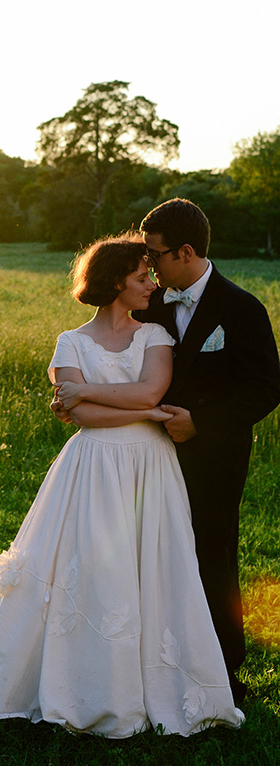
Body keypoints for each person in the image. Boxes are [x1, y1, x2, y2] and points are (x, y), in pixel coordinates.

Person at [0, 235, 244, 738]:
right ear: (115, 283)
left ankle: (150, 684)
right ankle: (81, 682)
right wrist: (139, 411)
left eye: (150, 275)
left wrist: (91, 389)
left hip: (149, 465)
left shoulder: (155, 336)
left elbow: (146, 389)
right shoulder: (70, 341)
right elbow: (80, 417)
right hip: (90, 464)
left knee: (151, 564)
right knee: (88, 565)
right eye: (140, 277)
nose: (151, 284)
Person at [132, 198, 280, 704]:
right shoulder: (149, 302)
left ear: (187, 251)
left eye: (156, 256)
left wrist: (200, 422)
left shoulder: (241, 308)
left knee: (211, 556)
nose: (148, 266)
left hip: (215, 455)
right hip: (151, 451)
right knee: (153, 550)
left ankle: (223, 670)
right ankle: (154, 660)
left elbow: (265, 387)